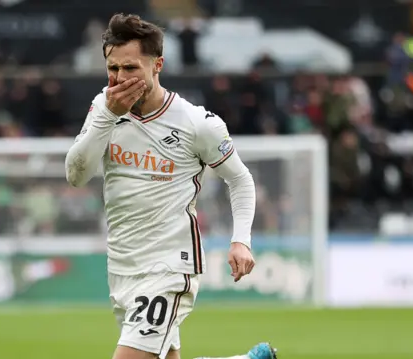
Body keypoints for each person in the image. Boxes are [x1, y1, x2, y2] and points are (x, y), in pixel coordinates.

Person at [65, 13, 277, 359]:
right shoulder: (103, 108)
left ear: (157, 65)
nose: (119, 79)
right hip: (122, 265)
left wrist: (241, 240)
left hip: (169, 266)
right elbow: (76, 175)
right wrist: (105, 115)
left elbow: (239, 179)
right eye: (113, 68)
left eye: (130, 68)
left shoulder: (197, 123)